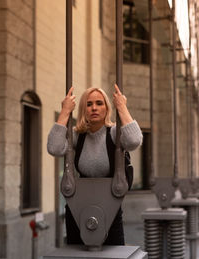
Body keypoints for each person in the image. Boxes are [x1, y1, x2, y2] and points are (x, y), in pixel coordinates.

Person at [47, 84, 143, 245]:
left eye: (99, 103)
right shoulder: (78, 135)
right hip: (77, 207)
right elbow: (54, 148)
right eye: (89, 104)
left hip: (110, 207)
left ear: (106, 108)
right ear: (83, 109)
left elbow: (134, 141)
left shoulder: (113, 133)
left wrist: (121, 107)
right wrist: (65, 111)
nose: (94, 108)